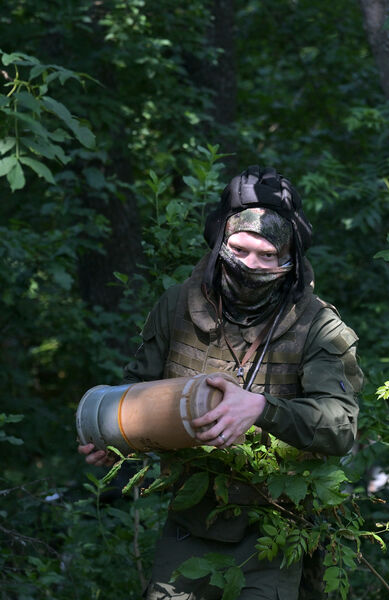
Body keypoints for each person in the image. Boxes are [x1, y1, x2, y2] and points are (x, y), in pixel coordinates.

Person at [78, 165, 362, 599]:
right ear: (220, 244)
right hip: (190, 521)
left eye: (268, 255)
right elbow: (136, 393)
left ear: (290, 259)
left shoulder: (318, 326)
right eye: (241, 249)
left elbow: (341, 427)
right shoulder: (177, 306)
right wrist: (115, 439)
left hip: (277, 528)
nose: (252, 265)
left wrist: (261, 409)